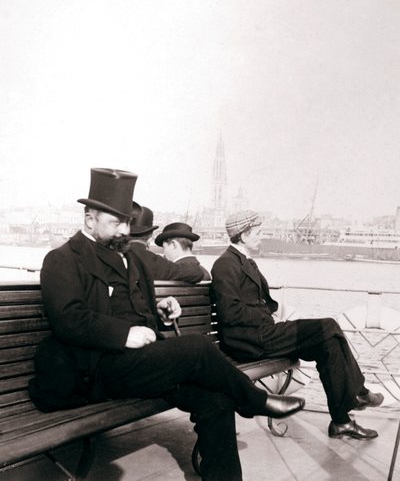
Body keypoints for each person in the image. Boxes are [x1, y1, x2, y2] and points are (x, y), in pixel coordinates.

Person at [29, 169, 305, 481]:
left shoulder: (129, 257)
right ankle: (255, 401)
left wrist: (160, 310)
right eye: (114, 222)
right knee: (198, 346)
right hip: (96, 370)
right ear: (89, 219)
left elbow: (134, 308)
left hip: (138, 365)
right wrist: (124, 334)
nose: (124, 230)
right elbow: (67, 318)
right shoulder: (63, 258)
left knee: (216, 400)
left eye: (127, 222)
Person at [211, 209, 384, 442]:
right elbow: (228, 312)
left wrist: (268, 315)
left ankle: (341, 422)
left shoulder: (241, 261)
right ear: (243, 235)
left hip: (261, 333)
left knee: (329, 344)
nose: (262, 235)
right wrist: (265, 318)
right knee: (329, 325)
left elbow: (259, 303)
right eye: (258, 232)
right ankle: (360, 392)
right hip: (251, 341)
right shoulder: (225, 264)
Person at [127, 204, 205, 283]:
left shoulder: (117, 255)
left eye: (164, 248)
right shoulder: (154, 262)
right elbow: (197, 272)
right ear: (150, 235)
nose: (164, 254)